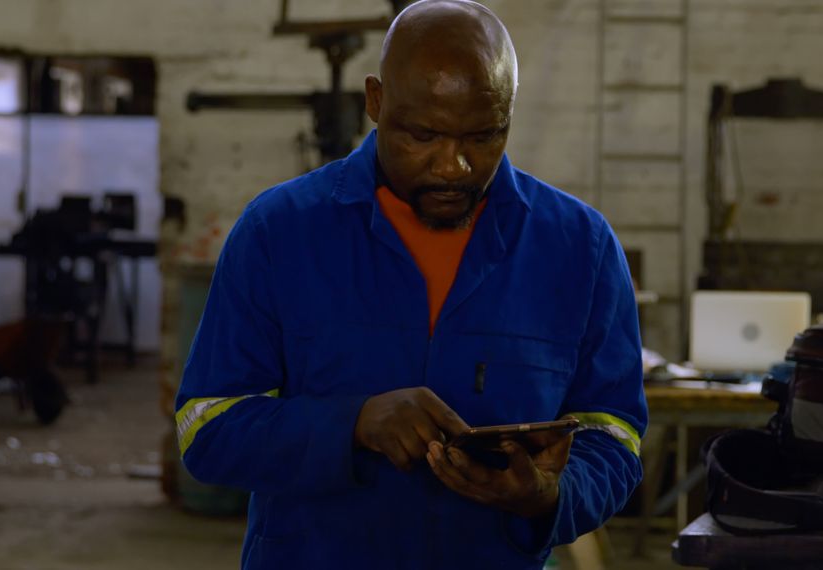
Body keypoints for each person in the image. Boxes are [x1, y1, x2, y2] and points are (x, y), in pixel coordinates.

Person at [175, 1, 647, 567]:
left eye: (482, 136)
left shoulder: (580, 249)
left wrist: (552, 496)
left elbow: (613, 432)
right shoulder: (279, 232)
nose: (453, 167)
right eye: (423, 135)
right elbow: (206, 429)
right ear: (376, 102)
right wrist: (352, 424)